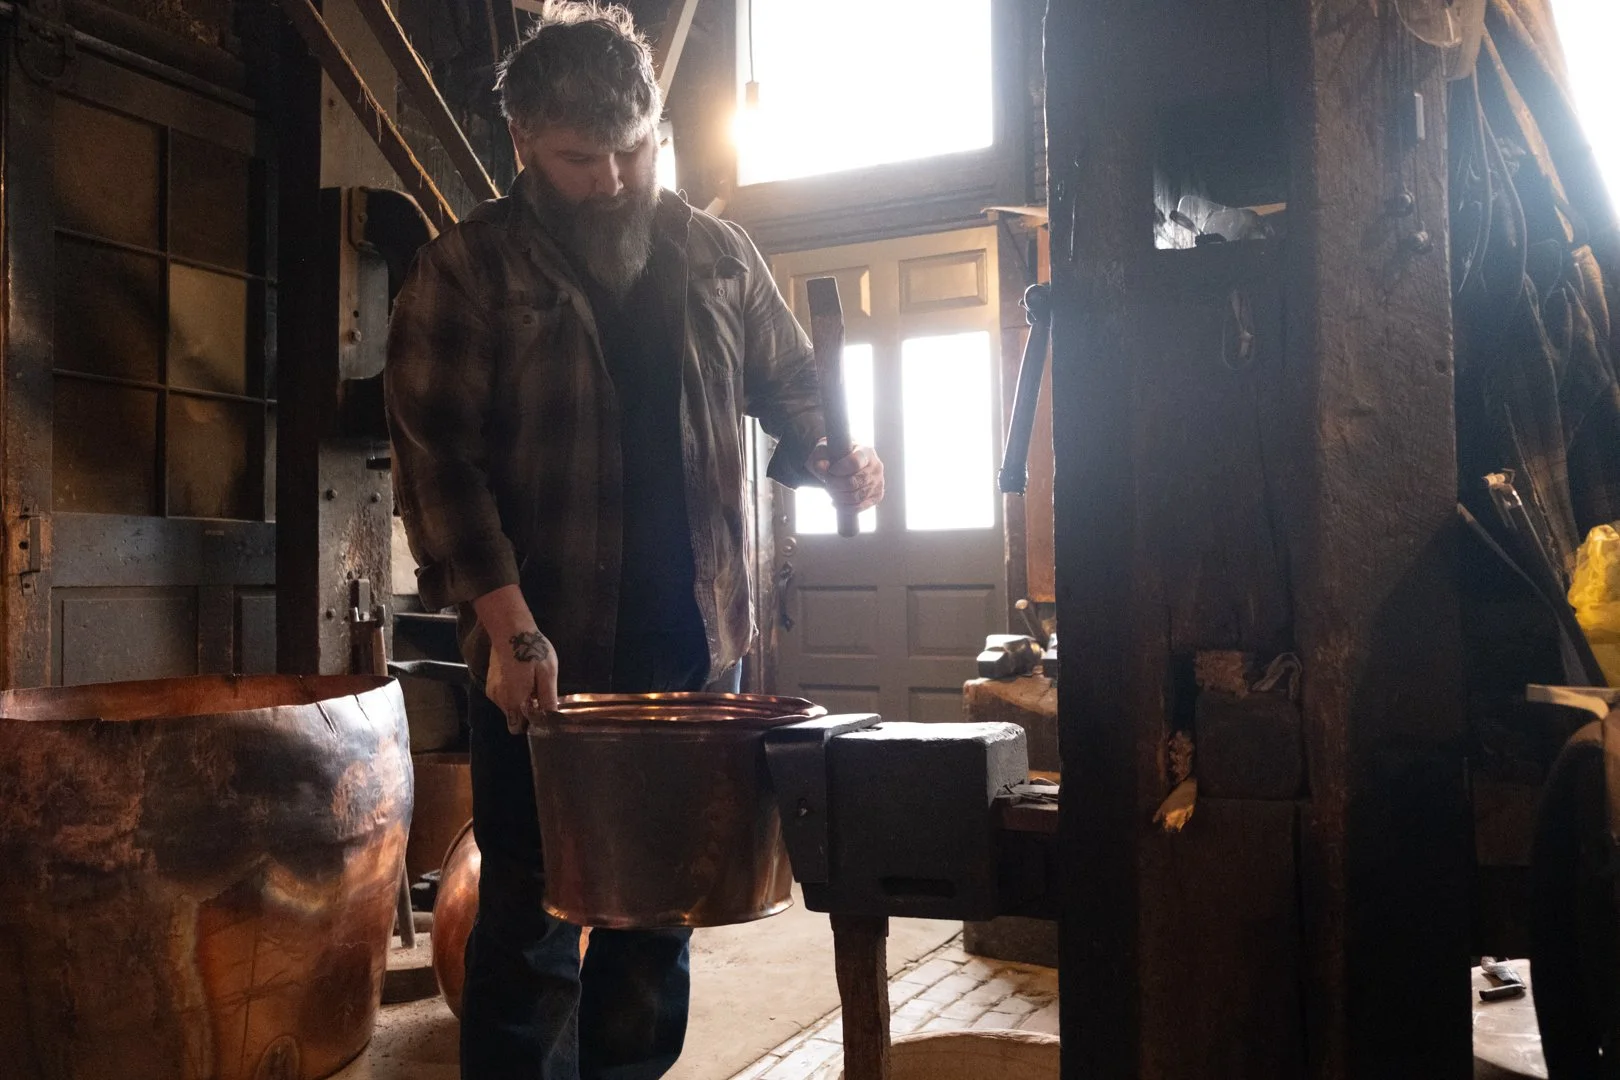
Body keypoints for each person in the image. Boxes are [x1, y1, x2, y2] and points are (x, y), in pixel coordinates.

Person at [384, 3, 885, 1077]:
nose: (613, 179)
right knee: (531, 898)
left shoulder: (716, 255)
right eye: (580, 159)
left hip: (690, 634)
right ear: (523, 144)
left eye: (634, 149)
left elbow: (789, 386)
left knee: (659, 901)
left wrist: (830, 453)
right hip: (542, 643)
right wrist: (506, 620)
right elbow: (440, 462)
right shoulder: (468, 270)